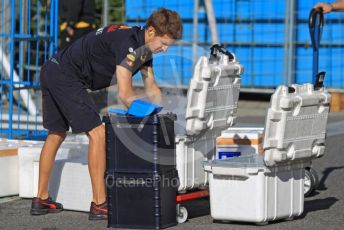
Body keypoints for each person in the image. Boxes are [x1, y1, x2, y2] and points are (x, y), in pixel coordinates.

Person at [30, 8, 183, 220]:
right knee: (98, 133)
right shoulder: (129, 46)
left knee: (56, 133)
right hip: (65, 76)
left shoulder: (143, 48)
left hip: (52, 70)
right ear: (150, 31)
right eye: (163, 43)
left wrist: (163, 115)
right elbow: (125, 94)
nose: (165, 50)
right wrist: (145, 121)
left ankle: (40, 199)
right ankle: (100, 204)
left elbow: (152, 87)